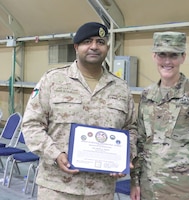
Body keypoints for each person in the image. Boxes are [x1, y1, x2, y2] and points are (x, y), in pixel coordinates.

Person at [22, 22, 137, 200]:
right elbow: (31, 125)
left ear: (107, 47)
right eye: (87, 42)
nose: (94, 47)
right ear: (76, 47)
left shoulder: (120, 88)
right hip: (57, 188)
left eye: (100, 42)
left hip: (101, 190)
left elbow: (131, 128)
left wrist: (124, 157)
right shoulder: (52, 80)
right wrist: (55, 154)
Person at [130, 31, 189, 200]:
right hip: (149, 188)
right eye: (162, 55)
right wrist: (134, 181)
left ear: (183, 57)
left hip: (185, 190)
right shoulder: (147, 95)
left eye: (173, 55)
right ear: (154, 56)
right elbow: (141, 141)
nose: (167, 61)